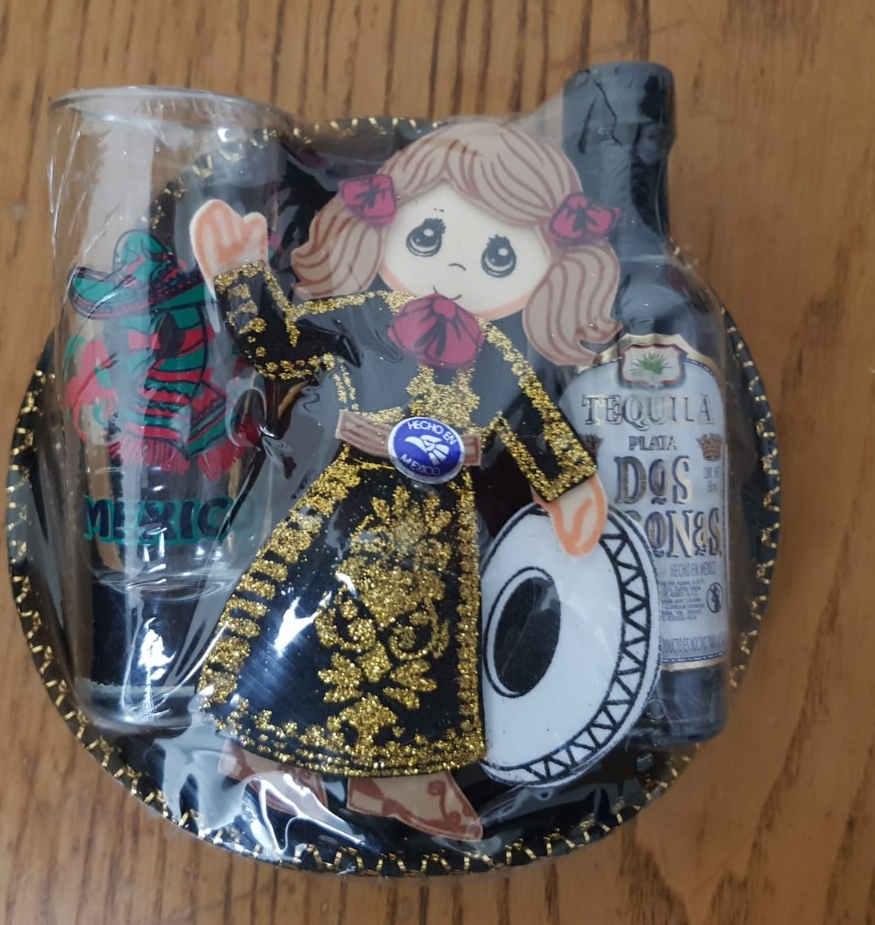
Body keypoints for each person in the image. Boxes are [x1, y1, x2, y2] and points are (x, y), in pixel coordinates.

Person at [190, 122, 623, 840]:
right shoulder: (359, 318)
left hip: (439, 528)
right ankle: (268, 747)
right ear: (379, 230)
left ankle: (400, 780)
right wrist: (239, 278)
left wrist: (571, 487)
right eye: (428, 236)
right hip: (346, 510)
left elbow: (535, 423)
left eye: (499, 254)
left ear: (549, 270)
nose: (454, 266)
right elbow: (281, 345)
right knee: (313, 618)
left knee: (424, 646)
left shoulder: (501, 354)